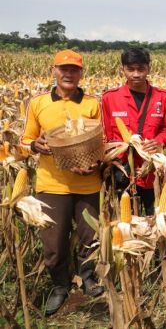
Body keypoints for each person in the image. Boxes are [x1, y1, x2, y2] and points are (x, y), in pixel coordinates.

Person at [20, 50, 104, 315]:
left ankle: (88, 277)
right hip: (51, 184)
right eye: (63, 69)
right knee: (54, 244)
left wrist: (97, 163)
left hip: (88, 184)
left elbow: (102, 141)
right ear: (54, 70)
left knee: (89, 239)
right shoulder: (38, 103)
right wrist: (35, 145)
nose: (69, 74)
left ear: (81, 73)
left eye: (74, 70)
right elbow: (24, 141)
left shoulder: (93, 103)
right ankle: (59, 286)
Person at [101, 47, 166, 215]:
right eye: (130, 69)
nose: (136, 74)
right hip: (120, 171)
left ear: (148, 68)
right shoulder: (110, 99)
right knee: (122, 220)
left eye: (141, 69)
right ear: (122, 70)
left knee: (153, 219)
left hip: (151, 171)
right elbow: (105, 134)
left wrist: (160, 141)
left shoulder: (163, 98)